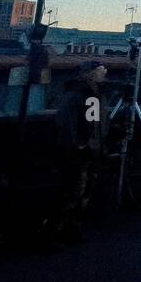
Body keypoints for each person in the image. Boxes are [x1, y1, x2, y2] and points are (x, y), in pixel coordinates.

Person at [50, 59, 107, 245]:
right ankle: (56, 232)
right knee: (72, 192)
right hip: (79, 153)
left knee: (80, 192)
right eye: (100, 69)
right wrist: (80, 145)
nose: (104, 72)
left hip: (86, 151)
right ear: (91, 73)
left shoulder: (88, 94)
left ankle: (69, 230)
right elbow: (71, 123)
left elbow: (92, 123)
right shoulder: (82, 95)